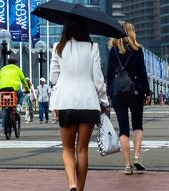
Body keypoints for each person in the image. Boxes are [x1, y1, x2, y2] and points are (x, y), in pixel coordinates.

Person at [50, 16, 110, 191]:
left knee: (67, 148)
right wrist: (104, 102)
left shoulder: (58, 48)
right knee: (82, 149)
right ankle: (81, 188)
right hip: (88, 102)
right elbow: (98, 79)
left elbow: (54, 78)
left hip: (66, 102)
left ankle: (71, 184)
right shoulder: (92, 47)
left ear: (66, 28)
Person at [105, 21, 150, 175]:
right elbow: (143, 73)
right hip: (135, 92)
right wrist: (147, 92)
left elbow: (109, 74)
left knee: (123, 130)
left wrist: (109, 92)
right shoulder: (137, 50)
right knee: (138, 126)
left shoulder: (113, 51)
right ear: (132, 33)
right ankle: (137, 156)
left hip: (118, 93)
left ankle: (127, 165)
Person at [0, 55, 30, 133]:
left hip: (3, 90)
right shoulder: (17, 69)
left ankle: (4, 126)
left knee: (5, 107)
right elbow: (23, 80)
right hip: (14, 89)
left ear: (8, 62)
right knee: (21, 95)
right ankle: (18, 108)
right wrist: (27, 89)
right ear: (16, 63)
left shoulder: (3, 69)